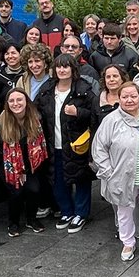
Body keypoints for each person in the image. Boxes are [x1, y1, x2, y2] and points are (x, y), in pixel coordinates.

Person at [92, 81, 139, 261]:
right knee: (124, 211)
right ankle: (128, 242)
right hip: (122, 176)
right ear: (119, 98)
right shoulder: (111, 120)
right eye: (125, 96)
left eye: (133, 96)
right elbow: (99, 149)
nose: (129, 100)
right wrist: (109, 173)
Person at [34, 54, 97, 234]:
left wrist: (79, 112)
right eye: (59, 67)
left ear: (73, 69)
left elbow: (94, 113)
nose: (62, 70)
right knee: (57, 180)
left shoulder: (83, 89)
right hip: (54, 143)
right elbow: (37, 111)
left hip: (76, 143)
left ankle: (81, 213)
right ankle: (67, 211)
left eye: (66, 67)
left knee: (81, 179)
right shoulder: (47, 89)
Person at [0, 88, 49, 237]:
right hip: (9, 163)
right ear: (7, 104)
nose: (16, 103)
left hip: (31, 160)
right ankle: (13, 223)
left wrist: (26, 169)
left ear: (26, 101)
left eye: (19, 100)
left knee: (34, 189)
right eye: (11, 101)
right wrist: (16, 169)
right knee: (16, 192)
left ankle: (31, 219)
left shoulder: (35, 118)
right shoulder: (0, 122)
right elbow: (0, 148)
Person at [0, 43, 25, 108]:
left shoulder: (27, 74)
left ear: (20, 54)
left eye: (13, 53)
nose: (10, 56)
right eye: (7, 54)